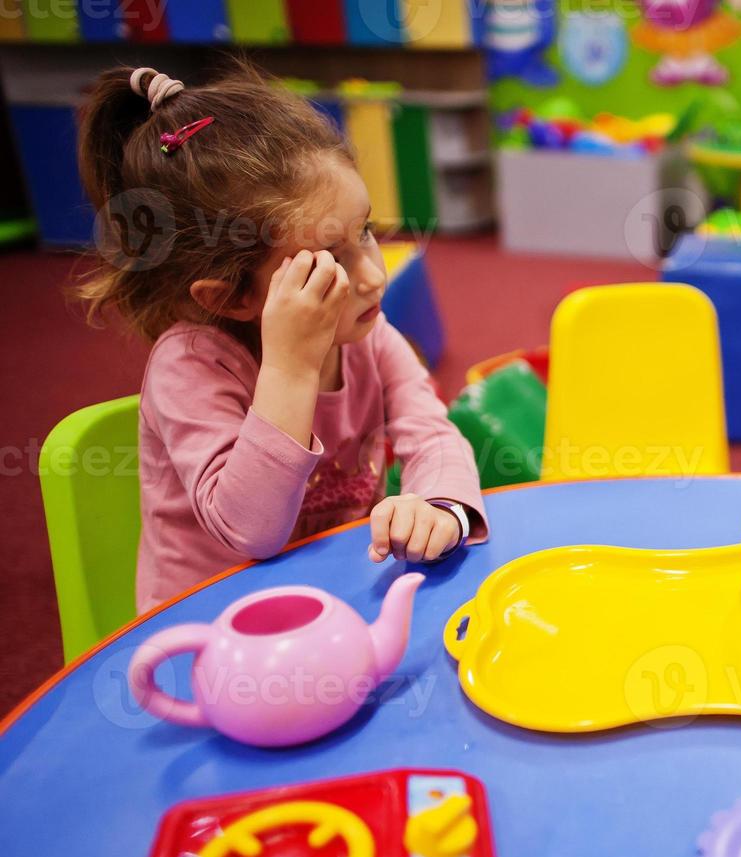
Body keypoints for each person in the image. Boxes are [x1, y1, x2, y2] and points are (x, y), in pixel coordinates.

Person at [76, 65, 487, 611]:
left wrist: (440, 507)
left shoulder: (370, 337)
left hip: (332, 600)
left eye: (363, 231)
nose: (371, 275)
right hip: (211, 625)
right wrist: (290, 368)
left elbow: (432, 435)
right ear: (230, 298)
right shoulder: (191, 366)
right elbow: (252, 530)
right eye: (328, 262)